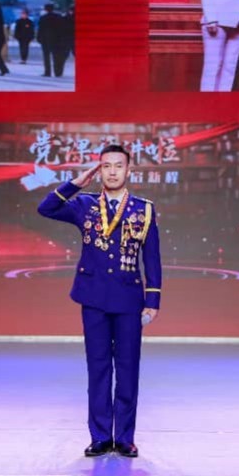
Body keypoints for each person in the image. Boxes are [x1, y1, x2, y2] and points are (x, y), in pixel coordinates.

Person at [37, 145, 162, 459]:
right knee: (98, 368)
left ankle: (126, 438)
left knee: (128, 369)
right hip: (93, 298)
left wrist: (153, 299)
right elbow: (46, 208)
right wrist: (75, 183)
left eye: (119, 165)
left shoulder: (144, 209)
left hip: (129, 299)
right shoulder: (85, 204)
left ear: (129, 170)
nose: (113, 171)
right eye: (106, 166)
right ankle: (101, 436)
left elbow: (152, 258)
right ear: (99, 171)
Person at [37, 3, 59, 77]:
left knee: (46, 56)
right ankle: (57, 71)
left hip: (45, 39)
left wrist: (39, 38)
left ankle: (47, 72)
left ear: (45, 9)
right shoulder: (58, 17)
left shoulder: (43, 18)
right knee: (56, 56)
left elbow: (40, 29)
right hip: (56, 39)